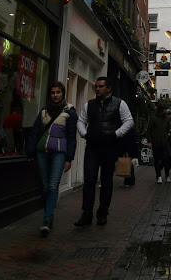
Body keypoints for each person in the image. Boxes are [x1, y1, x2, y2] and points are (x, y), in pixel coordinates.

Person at [74, 76, 134, 226]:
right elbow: (81, 121)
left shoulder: (120, 103)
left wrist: (116, 134)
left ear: (109, 88)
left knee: (106, 181)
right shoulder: (90, 105)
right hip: (92, 146)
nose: (98, 89)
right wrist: (84, 134)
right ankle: (87, 213)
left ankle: (102, 212)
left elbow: (129, 121)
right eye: (96, 87)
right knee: (89, 180)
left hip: (110, 147)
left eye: (101, 86)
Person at [27, 81, 77, 236]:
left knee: (53, 186)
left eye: (58, 92)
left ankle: (47, 219)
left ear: (63, 94)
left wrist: (69, 158)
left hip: (59, 154)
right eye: (53, 93)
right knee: (44, 186)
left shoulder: (70, 113)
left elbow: (71, 137)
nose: (55, 95)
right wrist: (30, 152)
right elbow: (35, 132)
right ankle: (49, 214)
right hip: (42, 152)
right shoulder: (43, 112)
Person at [147, 101, 171, 183]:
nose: (165, 111)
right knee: (157, 160)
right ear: (160, 109)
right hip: (156, 142)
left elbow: (169, 130)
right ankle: (159, 176)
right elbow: (149, 130)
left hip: (165, 142)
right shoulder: (154, 118)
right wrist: (149, 141)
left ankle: (167, 175)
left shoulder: (166, 119)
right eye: (164, 109)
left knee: (166, 159)